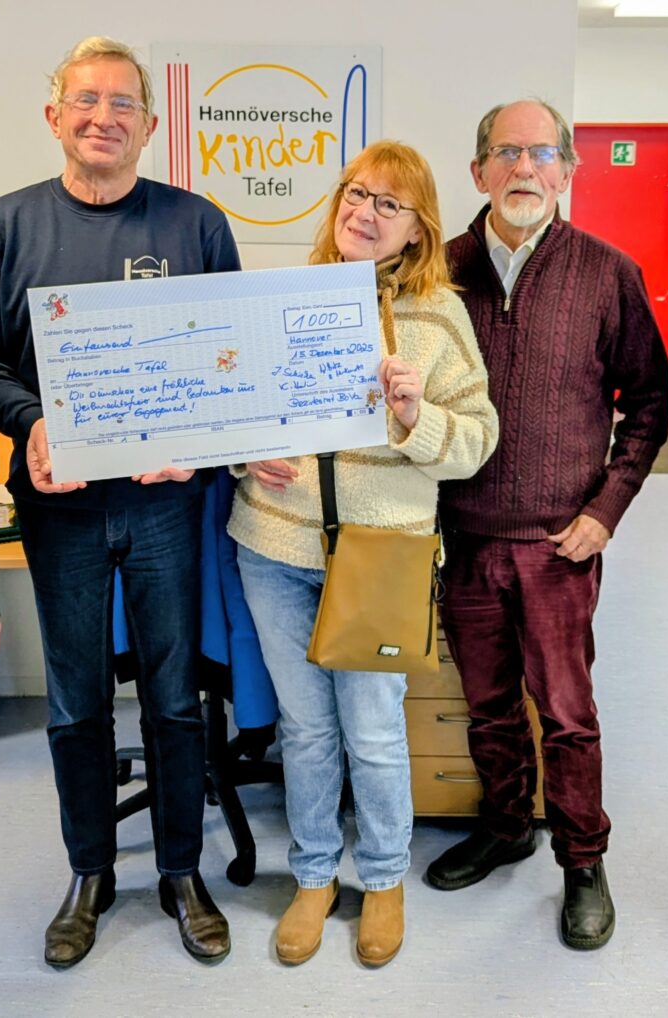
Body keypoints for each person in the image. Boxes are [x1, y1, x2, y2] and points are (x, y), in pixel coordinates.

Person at [0, 36, 239, 966]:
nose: (103, 118)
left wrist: (194, 440)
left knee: (175, 697)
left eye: (123, 104)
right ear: (55, 116)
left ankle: (181, 870)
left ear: (149, 125)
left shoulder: (196, 225)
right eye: (86, 100)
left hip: (163, 506)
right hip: (60, 506)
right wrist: (32, 420)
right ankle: (90, 871)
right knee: (74, 702)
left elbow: (231, 359)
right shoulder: (5, 227)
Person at [228, 140, 498, 967]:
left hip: (381, 555)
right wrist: (244, 454)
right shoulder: (283, 296)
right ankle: (314, 875)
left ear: (419, 229)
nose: (365, 212)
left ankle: (382, 876)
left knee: (374, 732)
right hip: (275, 545)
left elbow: (477, 442)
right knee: (306, 731)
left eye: (389, 203)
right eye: (356, 193)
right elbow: (230, 404)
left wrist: (417, 417)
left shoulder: (439, 316)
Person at [426, 100, 668, 951]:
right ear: (478, 171)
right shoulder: (436, 271)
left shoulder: (607, 273)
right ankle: (505, 828)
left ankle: (582, 858)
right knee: (489, 707)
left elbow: (649, 407)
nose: (523, 168)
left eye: (541, 153)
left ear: (568, 169)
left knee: (567, 715)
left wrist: (605, 511)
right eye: (506, 153)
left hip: (559, 545)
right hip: (463, 538)